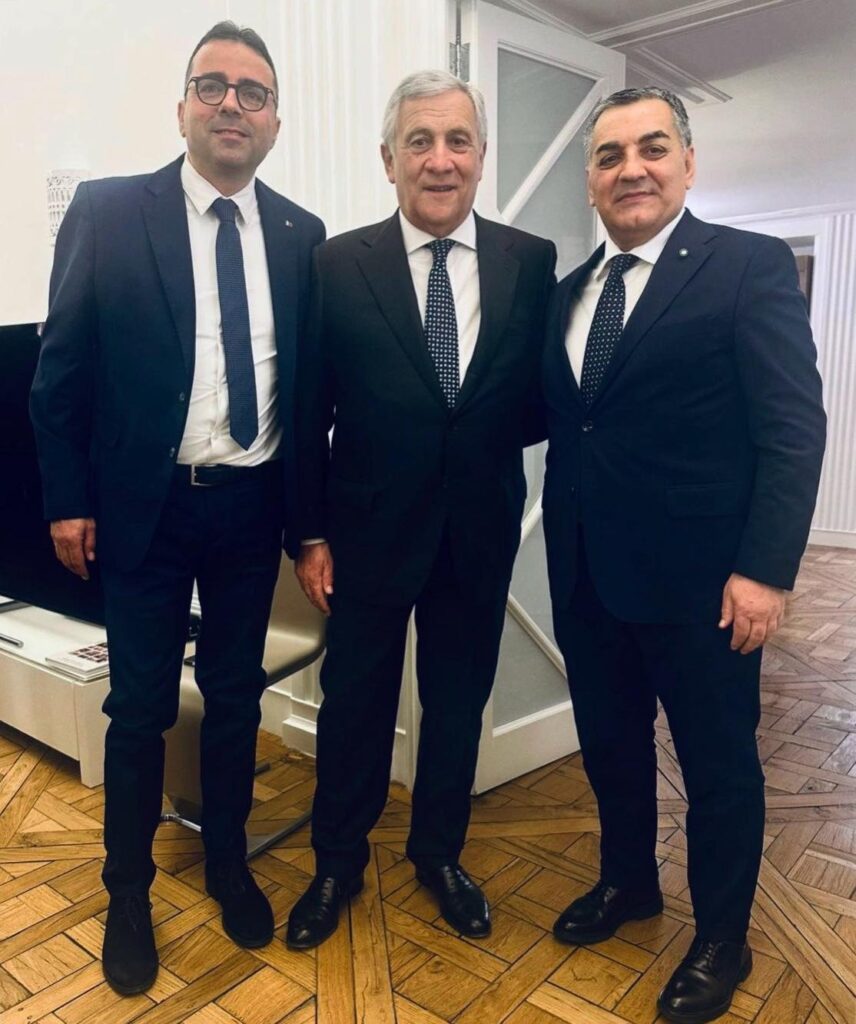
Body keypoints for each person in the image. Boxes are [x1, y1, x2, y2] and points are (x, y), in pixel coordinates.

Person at [30, 21, 324, 995]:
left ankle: (229, 860)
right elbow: (60, 372)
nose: (232, 104)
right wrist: (67, 500)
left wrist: (308, 527)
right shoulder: (112, 212)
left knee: (237, 698)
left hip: (250, 512)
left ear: (275, 120)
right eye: (214, 86)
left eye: (253, 91)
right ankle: (127, 893)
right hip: (144, 514)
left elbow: (308, 400)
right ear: (184, 106)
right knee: (141, 708)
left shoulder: (302, 236)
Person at [541, 87, 826, 1024]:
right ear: (591, 181)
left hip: (706, 590)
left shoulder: (747, 267)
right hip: (586, 577)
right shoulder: (567, 293)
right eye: (610, 155)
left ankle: (722, 938)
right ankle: (629, 881)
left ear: (688, 163)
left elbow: (793, 429)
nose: (631, 169)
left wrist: (766, 571)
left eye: (652, 148)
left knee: (718, 770)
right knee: (611, 748)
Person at [286, 70, 556, 950]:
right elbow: (308, 412)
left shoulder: (530, 262)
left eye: (457, 141)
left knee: (456, 702)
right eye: (420, 141)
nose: (440, 160)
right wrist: (309, 533)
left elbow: (534, 401)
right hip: (364, 534)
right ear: (389, 159)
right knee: (354, 704)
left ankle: (438, 853)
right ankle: (337, 862)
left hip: (478, 530)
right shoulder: (336, 264)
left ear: (481, 156)